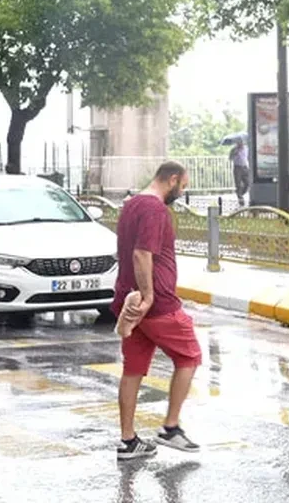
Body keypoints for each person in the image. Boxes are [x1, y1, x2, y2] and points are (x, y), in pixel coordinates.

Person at [112, 161, 202, 460]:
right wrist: (149, 296)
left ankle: (128, 441)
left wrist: (138, 298)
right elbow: (141, 254)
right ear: (172, 179)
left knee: (133, 369)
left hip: (129, 299)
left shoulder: (131, 205)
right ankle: (170, 427)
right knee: (189, 356)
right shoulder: (154, 209)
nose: (181, 192)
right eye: (183, 186)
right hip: (157, 303)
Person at [229, 137, 250, 206]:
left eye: (241, 141)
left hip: (245, 167)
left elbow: (248, 157)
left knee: (247, 183)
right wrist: (235, 153)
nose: (240, 143)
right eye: (238, 142)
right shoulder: (234, 149)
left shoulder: (246, 148)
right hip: (237, 167)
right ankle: (240, 199)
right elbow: (230, 158)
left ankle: (240, 193)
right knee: (238, 184)